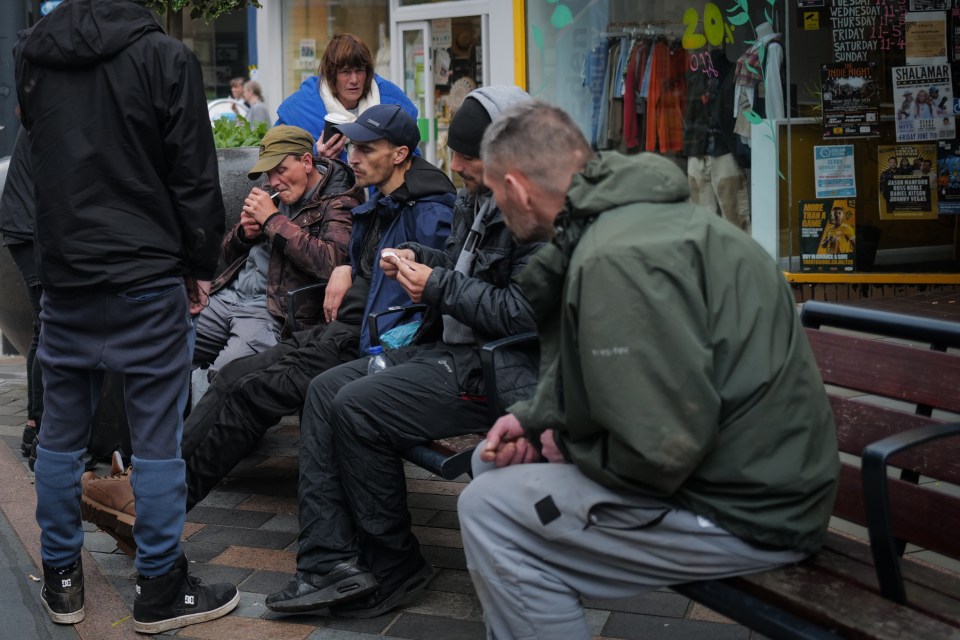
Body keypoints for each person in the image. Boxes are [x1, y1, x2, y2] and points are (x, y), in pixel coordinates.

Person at [457, 101, 840, 640]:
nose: (495, 204)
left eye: (494, 192)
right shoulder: (631, 225)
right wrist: (537, 419)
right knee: (490, 463)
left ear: (517, 189)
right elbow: (632, 380)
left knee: (488, 510)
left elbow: (657, 451)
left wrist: (568, 446)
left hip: (750, 510)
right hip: (749, 475)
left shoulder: (616, 256)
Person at [81, 103, 454, 551]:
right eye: (352, 146)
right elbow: (355, 265)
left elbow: (410, 303)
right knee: (230, 375)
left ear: (399, 154)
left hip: (363, 345)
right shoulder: (380, 198)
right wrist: (345, 269)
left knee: (243, 381)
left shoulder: (422, 208)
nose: (353, 156)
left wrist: (344, 273)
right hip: (335, 333)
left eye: (365, 148)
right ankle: (148, 500)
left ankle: (149, 504)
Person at [264, 85, 539, 619]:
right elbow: (465, 266)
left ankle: (394, 563)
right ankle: (329, 563)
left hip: (497, 372)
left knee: (358, 404)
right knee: (324, 390)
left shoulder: (537, 212)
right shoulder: (478, 197)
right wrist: (419, 256)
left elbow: (523, 315)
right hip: (452, 350)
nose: (455, 164)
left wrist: (435, 285)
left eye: (467, 155)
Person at [14, 0, 239, 633]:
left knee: (60, 432)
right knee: (158, 442)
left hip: (68, 273)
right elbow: (194, 175)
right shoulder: (167, 56)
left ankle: (61, 577)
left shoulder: (32, 52)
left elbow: (40, 146)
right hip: (145, 271)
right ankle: (161, 585)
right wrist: (200, 266)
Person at [193, 125, 357, 375]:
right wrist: (243, 236)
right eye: (269, 174)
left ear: (306, 161)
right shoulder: (277, 196)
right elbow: (224, 259)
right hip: (226, 299)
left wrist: (273, 222)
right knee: (164, 343)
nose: (274, 182)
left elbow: (331, 263)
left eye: (280, 170)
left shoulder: (338, 202)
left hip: (269, 312)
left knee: (227, 376)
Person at [275, 33, 417, 161]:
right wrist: (316, 155)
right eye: (346, 72)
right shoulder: (298, 109)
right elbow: (276, 159)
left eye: (359, 71)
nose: (354, 79)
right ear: (331, 74)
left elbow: (413, 156)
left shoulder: (394, 104)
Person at [0, 124, 43, 470]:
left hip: (26, 222)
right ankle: (40, 427)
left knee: (46, 325)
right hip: (31, 225)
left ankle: (36, 427)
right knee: (49, 325)